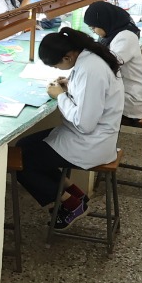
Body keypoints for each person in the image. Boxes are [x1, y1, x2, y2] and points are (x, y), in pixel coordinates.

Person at [11, 29, 122, 229]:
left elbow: (85, 123)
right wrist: (70, 86)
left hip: (90, 143)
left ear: (68, 56)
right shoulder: (88, 59)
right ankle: (76, 194)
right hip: (86, 136)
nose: (56, 69)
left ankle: (71, 205)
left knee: (22, 163)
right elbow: (91, 98)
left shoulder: (90, 69)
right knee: (23, 146)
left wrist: (60, 96)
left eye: (56, 65)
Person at [85, 0, 142, 124]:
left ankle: (103, 135)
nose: (94, 31)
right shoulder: (112, 33)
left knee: (87, 108)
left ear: (104, 22)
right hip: (120, 92)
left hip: (130, 99)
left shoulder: (126, 37)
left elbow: (109, 63)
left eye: (94, 27)